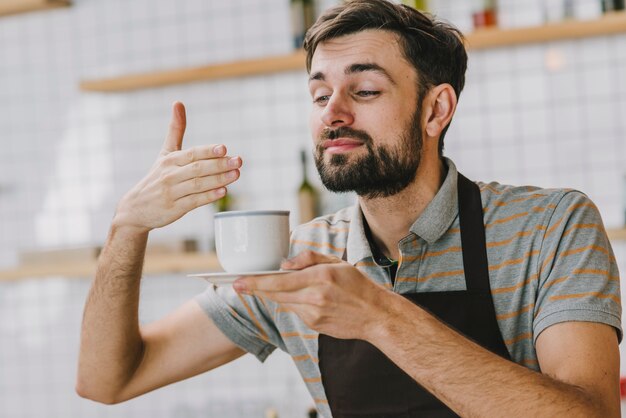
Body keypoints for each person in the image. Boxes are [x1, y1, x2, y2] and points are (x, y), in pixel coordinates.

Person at [76, 1, 622, 417]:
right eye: (319, 96)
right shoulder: (299, 260)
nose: (332, 114)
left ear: (436, 109)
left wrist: (379, 316)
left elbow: (592, 413)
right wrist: (128, 226)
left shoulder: (552, 229)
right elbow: (108, 380)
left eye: (363, 90)